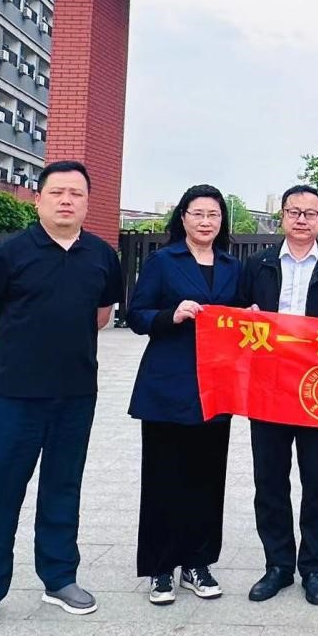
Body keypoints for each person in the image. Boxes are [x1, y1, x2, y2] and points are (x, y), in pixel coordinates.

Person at [0, 161, 122, 636]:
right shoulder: (10, 252)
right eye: (57, 192)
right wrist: (24, 350)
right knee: (0, 488)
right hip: (14, 394)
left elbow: (101, 315)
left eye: (76, 193)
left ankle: (59, 577)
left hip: (75, 394)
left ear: (87, 202)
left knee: (63, 486)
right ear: (39, 200)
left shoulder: (101, 255)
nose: (66, 200)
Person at [126, 185, 242, 606]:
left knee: (207, 478)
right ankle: (160, 568)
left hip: (216, 386)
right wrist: (170, 315)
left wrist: (247, 318)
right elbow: (136, 315)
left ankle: (198, 562)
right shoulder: (163, 261)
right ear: (183, 217)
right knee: (164, 478)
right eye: (198, 214)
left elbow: (242, 315)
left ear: (222, 221)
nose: (206, 222)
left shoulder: (232, 265)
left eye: (214, 215)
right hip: (168, 384)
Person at [238, 185, 318, 606]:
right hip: (267, 386)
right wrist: (244, 316)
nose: (302, 220)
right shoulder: (259, 264)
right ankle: (278, 565)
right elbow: (235, 313)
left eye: (311, 213)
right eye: (294, 212)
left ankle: (314, 568)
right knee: (269, 479)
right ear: (282, 217)